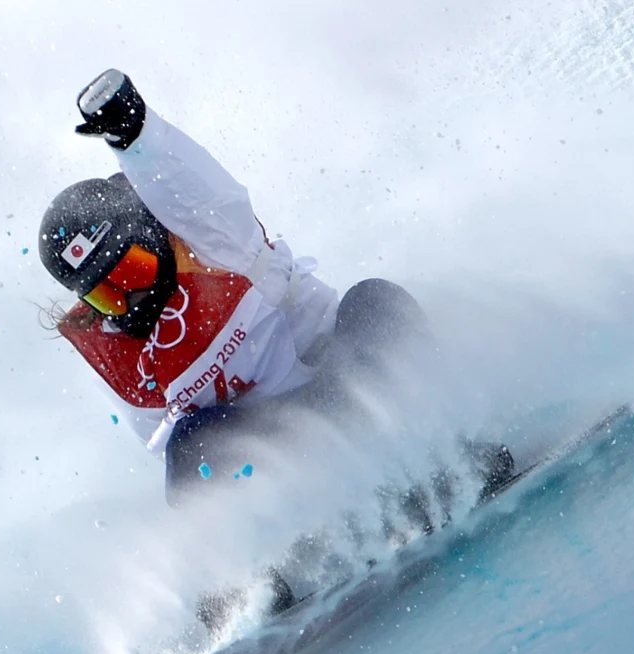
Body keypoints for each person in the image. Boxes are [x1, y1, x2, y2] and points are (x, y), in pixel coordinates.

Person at [38, 69, 476, 513]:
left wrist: (133, 134)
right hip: (272, 453)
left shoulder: (213, 242)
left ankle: (450, 447)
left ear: (152, 238)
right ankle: (254, 569)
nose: (128, 299)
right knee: (190, 447)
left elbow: (186, 184)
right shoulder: (119, 359)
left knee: (374, 302)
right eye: (105, 296)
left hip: (340, 383)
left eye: (132, 271)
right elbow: (172, 457)